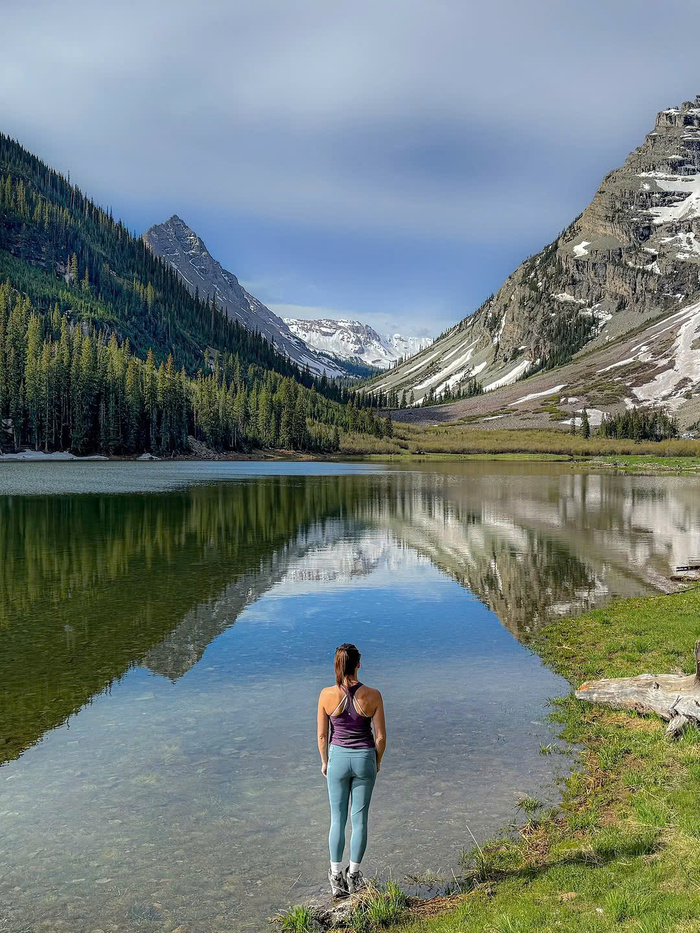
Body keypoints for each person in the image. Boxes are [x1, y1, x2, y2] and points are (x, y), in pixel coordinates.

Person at [317, 643, 386, 897]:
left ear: (337, 665)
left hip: (337, 758)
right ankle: (354, 875)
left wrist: (325, 762)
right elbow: (380, 738)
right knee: (360, 820)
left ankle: (336, 878)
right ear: (359, 663)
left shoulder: (326, 695)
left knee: (338, 819)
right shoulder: (373, 695)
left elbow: (323, 736)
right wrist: (376, 760)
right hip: (364, 759)